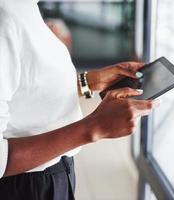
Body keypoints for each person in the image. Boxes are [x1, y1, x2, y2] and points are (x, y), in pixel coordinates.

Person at [0, 0, 159, 199]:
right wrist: (94, 127)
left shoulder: (23, 6)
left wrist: (89, 82)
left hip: (51, 173)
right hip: (25, 186)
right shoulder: (5, 18)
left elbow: (25, 86)